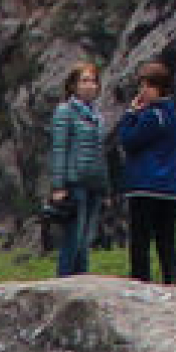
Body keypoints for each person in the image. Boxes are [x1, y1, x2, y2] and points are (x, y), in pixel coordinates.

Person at [108, 62, 176, 285]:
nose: (141, 92)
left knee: (141, 240)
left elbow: (129, 141)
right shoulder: (174, 115)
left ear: (157, 88)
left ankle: (140, 282)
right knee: (167, 240)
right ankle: (173, 281)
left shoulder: (151, 115)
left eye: (146, 86)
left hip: (145, 185)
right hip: (170, 188)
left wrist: (130, 114)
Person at [42, 63, 108, 278]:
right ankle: (66, 281)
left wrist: (104, 186)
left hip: (93, 183)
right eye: (84, 81)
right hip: (74, 181)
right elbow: (59, 149)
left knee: (86, 240)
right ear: (73, 85)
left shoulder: (97, 116)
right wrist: (59, 186)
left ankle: (82, 280)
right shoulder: (65, 111)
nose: (90, 85)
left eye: (93, 81)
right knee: (73, 237)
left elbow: (100, 153)